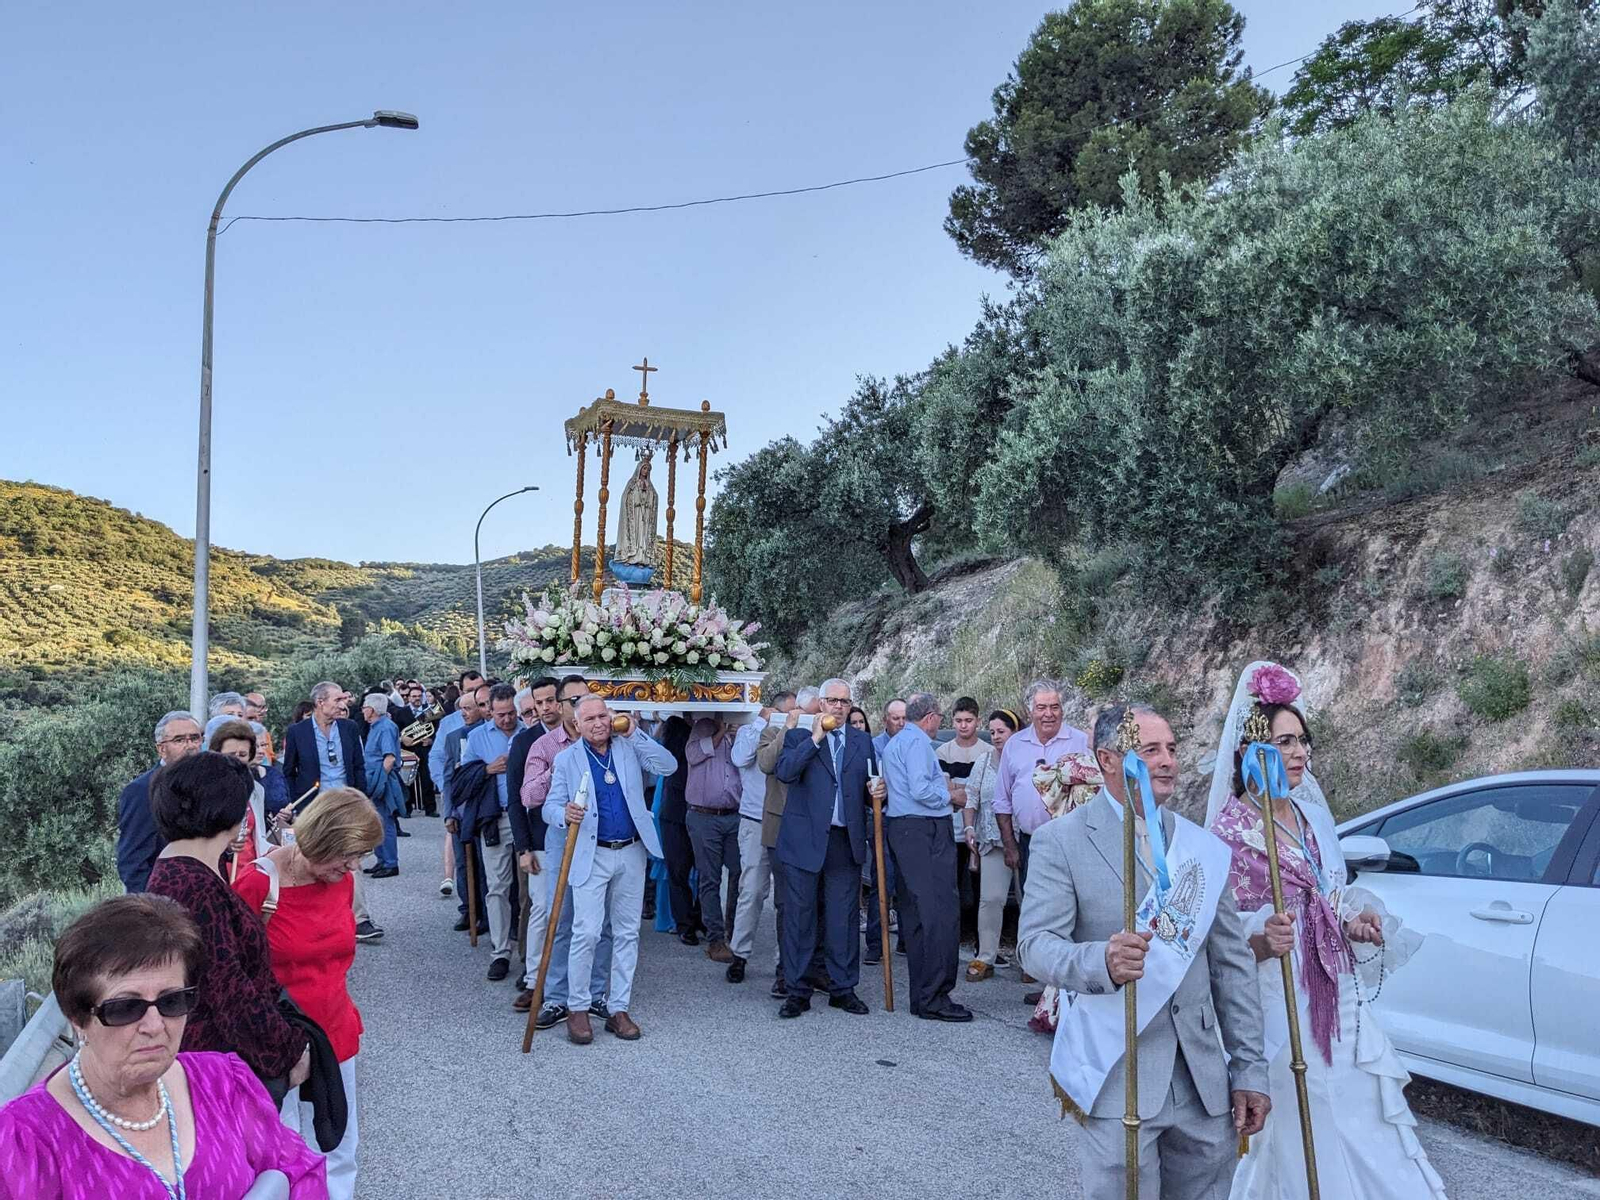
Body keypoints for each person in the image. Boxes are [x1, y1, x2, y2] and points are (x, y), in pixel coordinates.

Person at [1206, 662, 1444, 1200]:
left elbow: (1328, 895)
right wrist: (1262, 938)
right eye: (1282, 741)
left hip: (1338, 992)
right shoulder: (1229, 833)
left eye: (1301, 740)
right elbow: (1217, 936)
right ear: (1249, 751)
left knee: (1365, 1114)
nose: (1297, 752)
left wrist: (1353, 922)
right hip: (1277, 999)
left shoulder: (1313, 817)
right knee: (1301, 1121)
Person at [1017, 703, 1269, 1200]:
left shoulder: (1200, 847)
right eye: (1150, 750)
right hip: (1118, 1072)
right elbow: (1035, 947)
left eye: (1172, 749)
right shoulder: (1061, 841)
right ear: (1108, 760)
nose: (1168, 761)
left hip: (1202, 1084)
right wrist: (1100, 962)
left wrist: (1249, 1068)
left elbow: (1232, 966)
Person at [0, 894, 326, 1198]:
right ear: (77, 1016)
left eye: (172, 1001)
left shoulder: (224, 1081)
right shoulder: (27, 1140)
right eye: (126, 1008)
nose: (155, 1026)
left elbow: (298, 1170)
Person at [235, 787, 384, 1200]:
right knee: (281, 1150)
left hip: (335, 1031)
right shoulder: (258, 884)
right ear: (320, 839)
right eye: (347, 854)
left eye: (361, 854)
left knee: (339, 1144)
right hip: (275, 1042)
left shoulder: (343, 881)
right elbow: (234, 975)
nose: (354, 865)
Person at [143, 753, 312, 1092]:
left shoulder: (186, 869)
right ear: (232, 813)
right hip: (217, 1068)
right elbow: (227, 989)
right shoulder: (194, 885)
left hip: (211, 1058)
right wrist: (290, 1048)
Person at [542, 698, 675, 1043]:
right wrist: (563, 814)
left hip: (631, 850)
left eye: (604, 716)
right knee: (586, 932)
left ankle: (618, 1008)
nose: (599, 723)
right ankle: (578, 1008)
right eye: (590, 719)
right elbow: (550, 807)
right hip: (591, 854)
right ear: (577, 724)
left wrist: (636, 733)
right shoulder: (567, 759)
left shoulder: (629, 747)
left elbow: (668, 766)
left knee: (628, 932)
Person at [773, 678, 881, 1019]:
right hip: (804, 840)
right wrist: (817, 738)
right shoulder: (799, 736)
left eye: (845, 702)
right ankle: (797, 990)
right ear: (820, 704)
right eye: (832, 701)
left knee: (843, 919)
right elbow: (785, 772)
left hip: (844, 840)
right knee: (800, 918)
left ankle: (843, 988)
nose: (838, 707)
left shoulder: (863, 741)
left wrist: (878, 791)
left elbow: (867, 786)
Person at [519, 676, 612, 1029]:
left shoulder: (608, 739)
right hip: (562, 839)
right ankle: (558, 997)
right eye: (571, 700)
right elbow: (528, 797)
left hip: (602, 838)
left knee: (599, 922)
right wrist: (561, 766)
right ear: (560, 705)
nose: (578, 706)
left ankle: (596, 993)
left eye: (583, 698)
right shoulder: (544, 747)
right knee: (564, 918)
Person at [995, 679, 1088, 1001]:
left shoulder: (1081, 741)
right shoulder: (1015, 745)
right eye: (1041, 707)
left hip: (1075, 842)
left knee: (1075, 912)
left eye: (1055, 706)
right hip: (1030, 841)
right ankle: (1046, 985)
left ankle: (1068, 989)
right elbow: (1002, 800)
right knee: (1037, 911)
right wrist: (1009, 846)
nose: (1049, 714)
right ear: (1029, 710)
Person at [881, 693, 971, 1023]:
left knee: (916, 914)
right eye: (940, 719)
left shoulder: (895, 743)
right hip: (925, 830)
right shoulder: (918, 744)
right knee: (939, 913)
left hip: (904, 829)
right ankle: (935, 995)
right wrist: (952, 797)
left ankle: (923, 994)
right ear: (931, 717)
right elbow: (921, 789)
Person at [280, 681, 382, 944]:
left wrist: (361, 799)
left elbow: (358, 765)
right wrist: (295, 806)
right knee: (311, 861)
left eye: (343, 700)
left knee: (352, 860)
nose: (343, 704)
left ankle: (360, 920)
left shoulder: (349, 728)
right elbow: (288, 772)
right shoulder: (297, 732)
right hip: (312, 808)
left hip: (346, 805)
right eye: (337, 700)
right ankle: (315, 920)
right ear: (320, 703)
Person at [727, 694, 796, 984]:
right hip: (755, 819)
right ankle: (740, 954)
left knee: (786, 896)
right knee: (752, 891)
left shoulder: (797, 731)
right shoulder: (749, 731)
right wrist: (762, 723)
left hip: (787, 821)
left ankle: (784, 962)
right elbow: (739, 758)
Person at [455, 683, 522, 982]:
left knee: (531, 892)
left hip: (527, 818)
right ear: (489, 711)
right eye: (500, 714)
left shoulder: (528, 732)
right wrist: (487, 770)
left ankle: (530, 956)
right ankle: (500, 952)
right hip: (495, 818)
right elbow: (461, 780)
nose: (507, 720)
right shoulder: (477, 737)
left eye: (511, 714)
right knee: (497, 888)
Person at [507, 676, 560, 1007]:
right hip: (539, 838)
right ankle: (533, 978)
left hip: (580, 836)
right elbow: (515, 798)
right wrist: (523, 848)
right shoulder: (526, 742)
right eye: (539, 703)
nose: (545, 708)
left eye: (551, 700)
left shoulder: (580, 733)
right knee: (540, 909)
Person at [116, 710, 203, 892]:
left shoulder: (207, 784)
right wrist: (154, 905)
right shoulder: (141, 790)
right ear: (161, 749)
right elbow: (133, 861)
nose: (189, 746)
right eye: (179, 740)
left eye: (195, 738)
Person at [961, 708, 1018, 982]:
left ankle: (1031, 962)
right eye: (993, 732)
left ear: (1015, 732)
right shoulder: (983, 762)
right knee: (990, 900)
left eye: (1002, 731)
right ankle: (986, 957)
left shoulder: (1027, 761)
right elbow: (971, 797)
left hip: (1026, 840)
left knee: (1031, 902)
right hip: (993, 841)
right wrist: (970, 827)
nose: (996, 737)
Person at [685, 717, 743, 963]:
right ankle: (716, 939)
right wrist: (720, 731)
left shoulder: (741, 733)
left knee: (740, 873)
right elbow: (694, 755)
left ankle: (734, 931)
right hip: (703, 816)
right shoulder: (702, 728)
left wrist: (739, 734)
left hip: (734, 815)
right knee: (710, 877)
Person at [936, 696, 986, 945]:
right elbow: (948, 791)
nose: (963, 725)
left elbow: (983, 792)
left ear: (978, 721)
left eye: (968, 720)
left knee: (981, 890)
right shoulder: (942, 752)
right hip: (952, 829)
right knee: (951, 886)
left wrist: (961, 790)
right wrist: (962, 792)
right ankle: (951, 940)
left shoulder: (988, 753)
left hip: (982, 830)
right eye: (958, 720)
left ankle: (982, 942)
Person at [439, 683, 488, 935]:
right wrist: (448, 812)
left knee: (483, 864)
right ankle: (468, 909)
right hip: (460, 809)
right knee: (462, 862)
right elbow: (448, 778)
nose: (465, 713)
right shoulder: (453, 737)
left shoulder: (489, 734)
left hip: (483, 809)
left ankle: (488, 914)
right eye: (462, 709)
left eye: (469, 708)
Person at [654, 714, 701, 944]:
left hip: (698, 809)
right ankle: (685, 923)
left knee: (704, 873)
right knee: (679, 871)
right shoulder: (675, 726)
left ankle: (694, 919)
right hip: (676, 810)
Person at [208, 718, 269, 874]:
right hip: (218, 870)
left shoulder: (257, 790)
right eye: (230, 754)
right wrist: (225, 844)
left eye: (242, 754)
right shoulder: (206, 790)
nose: (236, 760)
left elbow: (258, 836)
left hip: (249, 871)